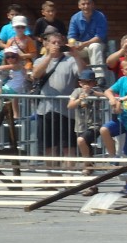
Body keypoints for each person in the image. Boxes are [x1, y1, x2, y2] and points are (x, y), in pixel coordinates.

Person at [31, 31, 86, 160]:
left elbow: (83, 74)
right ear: (46, 44)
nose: (56, 45)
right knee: (49, 147)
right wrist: (49, 57)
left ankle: (69, 173)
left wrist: (76, 55)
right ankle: (51, 172)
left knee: (68, 147)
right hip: (45, 109)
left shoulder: (70, 60)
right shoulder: (40, 60)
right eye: (53, 42)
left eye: (59, 43)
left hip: (66, 110)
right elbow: (36, 74)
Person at [68, 68, 110, 190]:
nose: (86, 85)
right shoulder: (77, 91)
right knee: (87, 149)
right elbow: (69, 105)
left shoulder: (96, 90)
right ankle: (91, 185)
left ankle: (87, 165)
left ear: (93, 82)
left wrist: (93, 93)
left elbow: (106, 95)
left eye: (89, 82)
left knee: (81, 140)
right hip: (80, 125)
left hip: (94, 125)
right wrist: (79, 99)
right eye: (83, 82)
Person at [68, 0, 108, 72]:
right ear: (79, 6)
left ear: (93, 5)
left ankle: (98, 76)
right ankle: (76, 76)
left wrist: (84, 44)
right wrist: (73, 44)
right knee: (67, 52)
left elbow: (99, 37)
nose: (86, 6)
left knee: (94, 46)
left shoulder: (100, 16)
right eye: (83, 4)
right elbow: (71, 36)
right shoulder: (75, 18)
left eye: (88, 4)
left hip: (98, 45)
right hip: (81, 47)